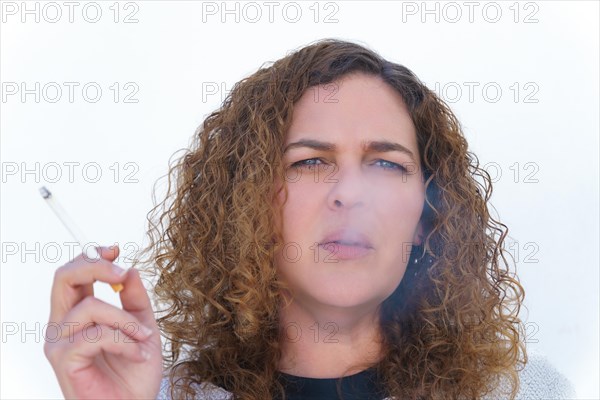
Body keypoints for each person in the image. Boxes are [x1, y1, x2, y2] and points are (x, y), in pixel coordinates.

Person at [44, 38, 577, 399]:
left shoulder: (526, 391)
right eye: (310, 162)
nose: (349, 193)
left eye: (387, 163)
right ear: (248, 204)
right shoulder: (147, 394)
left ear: (425, 218)